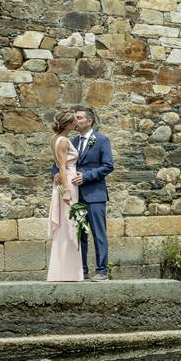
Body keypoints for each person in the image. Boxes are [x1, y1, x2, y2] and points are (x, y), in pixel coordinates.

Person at [71, 108, 114, 280]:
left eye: (79, 118)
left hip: (95, 195)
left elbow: (108, 165)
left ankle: (102, 270)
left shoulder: (102, 140)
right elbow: (60, 161)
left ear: (89, 121)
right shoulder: (72, 142)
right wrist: (56, 174)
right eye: (75, 118)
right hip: (76, 195)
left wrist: (87, 176)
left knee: (98, 233)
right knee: (79, 234)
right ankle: (82, 269)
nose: (76, 121)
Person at [46, 110, 84, 282]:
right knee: (69, 225)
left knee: (67, 224)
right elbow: (62, 166)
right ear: (69, 124)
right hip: (67, 182)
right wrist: (67, 191)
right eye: (75, 120)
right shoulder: (62, 141)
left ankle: (64, 271)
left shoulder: (56, 138)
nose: (78, 122)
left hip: (64, 180)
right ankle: (67, 272)